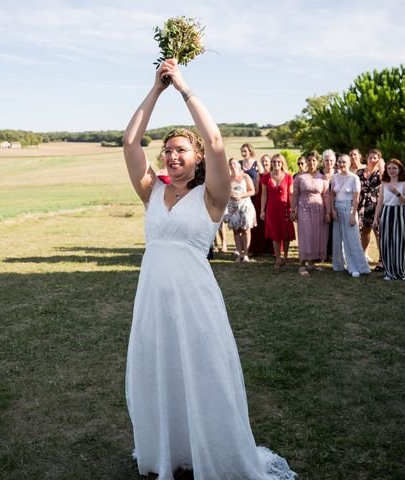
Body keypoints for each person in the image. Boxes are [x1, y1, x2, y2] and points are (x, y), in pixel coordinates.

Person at [122, 59, 295, 480]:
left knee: (202, 373)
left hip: (194, 299)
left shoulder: (212, 197)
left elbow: (217, 140)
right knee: (158, 371)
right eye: (168, 150)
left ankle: (213, 446)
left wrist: (183, 87)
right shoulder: (153, 191)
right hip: (152, 299)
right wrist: (155, 89)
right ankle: (173, 449)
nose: (171, 155)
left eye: (181, 150)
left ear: (197, 159)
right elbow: (129, 143)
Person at [330, 154, 371, 277]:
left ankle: (357, 267)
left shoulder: (354, 178)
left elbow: (356, 199)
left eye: (344, 162)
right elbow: (332, 195)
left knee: (351, 239)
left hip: (349, 209)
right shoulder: (335, 177)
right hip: (337, 208)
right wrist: (332, 210)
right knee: (337, 238)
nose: (341, 164)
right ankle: (338, 265)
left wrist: (353, 215)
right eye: (340, 162)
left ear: (349, 163)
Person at [292, 151, 330, 276]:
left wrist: (328, 212)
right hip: (303, 208)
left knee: (316, 234)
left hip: (319, 209)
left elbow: (326, 196)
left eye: (314, 160)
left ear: (318, 162)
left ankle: (311, 263)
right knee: (305, 234)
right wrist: (293, 210)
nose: (311, 162)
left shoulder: (322, 177)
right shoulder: (299, 177)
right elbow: (295, 195)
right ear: (306, 162)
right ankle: (302, 265)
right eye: (309, 160)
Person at [372, 158, 405, 280]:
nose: (391, 170)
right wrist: (375, 219)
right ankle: (388, 272)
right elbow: (379, 203)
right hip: (386, 213)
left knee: (399, 243)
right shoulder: (384, 184)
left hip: (398, 214)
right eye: (389, 168)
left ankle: (401, 272)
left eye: (394, 168)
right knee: (386, 243)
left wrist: (397, 193)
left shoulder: (404, 184)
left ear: (399, 169)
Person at [260, 153, 295, 268]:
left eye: (279, 162)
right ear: (271, 163)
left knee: (285, 234)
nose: (276, 164)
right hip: (272, 209)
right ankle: (278, 258)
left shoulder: (288, 176)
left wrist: (293, 209)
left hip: (285, 208)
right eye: (274, 162)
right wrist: (262, 210)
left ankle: (285, 256)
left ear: (282, 163)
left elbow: (291, 194)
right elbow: (264, 195)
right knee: (275, 234)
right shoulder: (266, 177)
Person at [357, 149, 385, 269]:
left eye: (375, 158)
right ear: (366, 158)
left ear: (379, 159)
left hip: (375, 205)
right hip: (362, 205)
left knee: (378, 232)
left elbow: (385, 182)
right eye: (370, 158)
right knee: (365, 231)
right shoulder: (359, 172)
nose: (372, 160)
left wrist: (381, 166)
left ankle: (382, 260)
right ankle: (363, 256)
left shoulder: (380, 173)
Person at [228, 158, 257, 262]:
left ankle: (245, 254)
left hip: (245, 205)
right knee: (236, 230)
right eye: (230, 164)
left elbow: (252, 191)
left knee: (246, 230)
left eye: (234, 163)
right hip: (233, 207)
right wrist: (229, 195)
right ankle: (239, 254)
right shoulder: (227, 178)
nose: (233, 165)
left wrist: (241, 195)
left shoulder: (245, 176)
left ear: (239, 165)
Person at [248, 155, 274, 256]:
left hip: (271, 202)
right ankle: (257, 249)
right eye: (263, 161)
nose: (265, 163)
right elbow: (257, 190)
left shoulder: (273, 174)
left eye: (267, 161)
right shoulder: (260, 174)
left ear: (270, 162)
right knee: (258, 226)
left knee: (271, 225)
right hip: (260, 201)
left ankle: (271, 250)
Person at [322, 149, 337, 259]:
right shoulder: (319, 174)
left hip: (336, 204)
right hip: (320, 205)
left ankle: (333, 253)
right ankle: (322, 252)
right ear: (323, 161)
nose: (329, 162)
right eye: (326, 160)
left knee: (333, 228)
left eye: (331, 160)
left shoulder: (338, 174)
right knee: (322, 228)